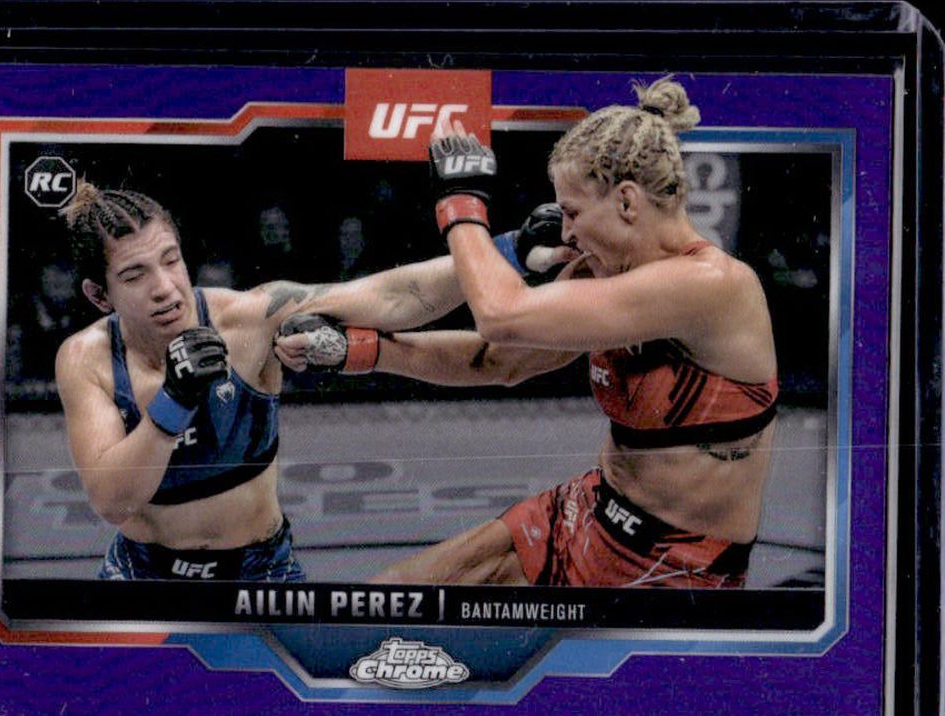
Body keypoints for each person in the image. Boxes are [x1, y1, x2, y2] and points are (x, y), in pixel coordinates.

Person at [277, 77, 778, 589]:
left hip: (675, 570)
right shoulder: (599, 270)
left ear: (627, 202)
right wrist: (358, 350)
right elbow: (499, 359)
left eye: (573, 212)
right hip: (589, 513)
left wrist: (460, 204)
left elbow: (501, 314)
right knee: (386, 597)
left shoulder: (711, 286)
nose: (567, 232)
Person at [52, 181, 562, 581]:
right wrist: (175, 399)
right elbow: (112, 501)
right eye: (135, 275)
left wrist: (509, 250)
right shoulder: (86, 359)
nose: (165, 288)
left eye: (171, 260)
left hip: (258, 573)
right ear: (100, 296)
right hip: (141, 575)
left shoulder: (248, 319)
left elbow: (394, 296)